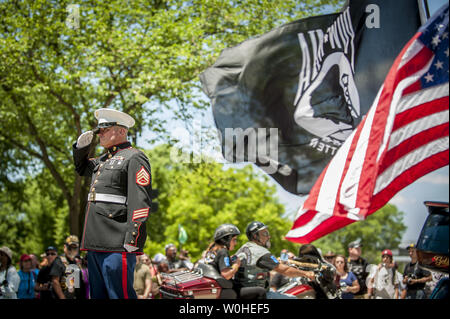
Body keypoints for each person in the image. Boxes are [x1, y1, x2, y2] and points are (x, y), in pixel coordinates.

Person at [73, 108, 153, 299]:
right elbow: (81, 167)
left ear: (121, 131)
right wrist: (80, 149)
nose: (99, 133)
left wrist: (132, 239)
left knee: (119, 295)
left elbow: (140, 201)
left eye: (105, 129)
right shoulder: (102, 161)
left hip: (117, 242)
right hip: (95, 242)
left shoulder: (134, 157)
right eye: (99, 130)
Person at [234, 221, 315, 299]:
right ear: (255, 236)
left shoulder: (242, 249)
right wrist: (306, 273)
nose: (269, 236)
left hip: (245, 292)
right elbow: (285, 270)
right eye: (265, 233)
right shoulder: (260, 252)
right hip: (257, 295)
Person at [202, 224, 242, 299]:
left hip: (215, 287)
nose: (235, 243)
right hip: (224, 289)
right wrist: (237, 264)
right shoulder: (223, 251)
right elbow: (226, 275)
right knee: (260, 291)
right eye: (234, 240)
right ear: (226, 240)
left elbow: (215, 263)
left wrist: (229, 259)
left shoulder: (212, 250)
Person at [51, 235, 87, 299]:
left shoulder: (78, 262)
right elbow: (55, 282)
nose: (72, 250)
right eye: (70, 248)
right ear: (65, 247)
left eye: (75, 248)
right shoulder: (59, 261)